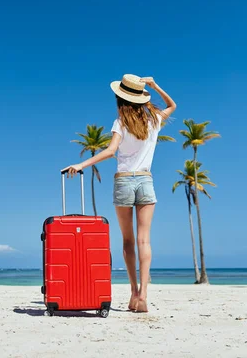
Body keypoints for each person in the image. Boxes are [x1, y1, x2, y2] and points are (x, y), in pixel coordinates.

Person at [63, 74, 176, 313]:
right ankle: (144, 295)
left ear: (121, 99)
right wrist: (154, 86)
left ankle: (133, 291)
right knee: (144, 239)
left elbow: (111, 151)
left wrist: (82, 164)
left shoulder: (120, 123)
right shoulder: (153, 119)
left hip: (124, 182)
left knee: (128, 241)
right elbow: (172, 105)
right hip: (146, 180)